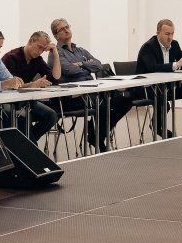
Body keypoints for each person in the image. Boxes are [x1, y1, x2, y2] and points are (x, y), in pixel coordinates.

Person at [0, 28, 58, 143]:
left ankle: (25, 149)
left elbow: (9, 79)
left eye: (0, 47)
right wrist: (3, 84)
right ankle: (27, 150)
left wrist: (13, 82)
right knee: (20, 120)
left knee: (28, 119)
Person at [52, 17, 133, 148]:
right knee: (103, 105)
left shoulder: (81, 50)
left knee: (125, 100)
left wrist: (81, 64)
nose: (66, 30)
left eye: (67, 27)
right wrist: (87, 66)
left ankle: (96, 133)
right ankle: (97, 137)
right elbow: (70, 70)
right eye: (62, 29)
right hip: (75, 96)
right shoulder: (56, 53)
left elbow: (99, 65)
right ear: (56, 35)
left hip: (93, 91)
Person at [136, 19, 182, 136]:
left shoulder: (174, 45)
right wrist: (177, 64)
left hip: (167, 86)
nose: (170, 37)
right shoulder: (148, 47)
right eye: (167, 34)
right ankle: (157, 127)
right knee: (163, 99)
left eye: (172, 34)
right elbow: (153, 68)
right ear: (158, 33)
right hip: (149, 88)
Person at [1, 31, 62, 142]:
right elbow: (10, 85)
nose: (40, 51)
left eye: (43, 49)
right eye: (39, 47)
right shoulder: (10, 57)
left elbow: (55, 79)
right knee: (24, 118)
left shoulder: (37, 60)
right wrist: (33, 84)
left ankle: (27, 143)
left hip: (26, 101)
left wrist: (55, 53)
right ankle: (29, 144)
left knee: (51, 116)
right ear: (31, 41)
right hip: (8, 101)